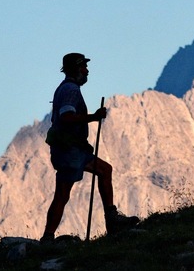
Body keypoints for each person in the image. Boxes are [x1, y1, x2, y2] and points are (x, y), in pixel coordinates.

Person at [41, 52, 138, 242]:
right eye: (83, 67)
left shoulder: (65, 88)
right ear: (76, 69)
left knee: (104, 170)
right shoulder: (70, 90)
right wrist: (94, 117)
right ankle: (48, 237)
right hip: (70, 151)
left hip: (74, 150)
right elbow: (66, 116)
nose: (87, 71)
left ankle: (111, 219)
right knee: (62, 194)